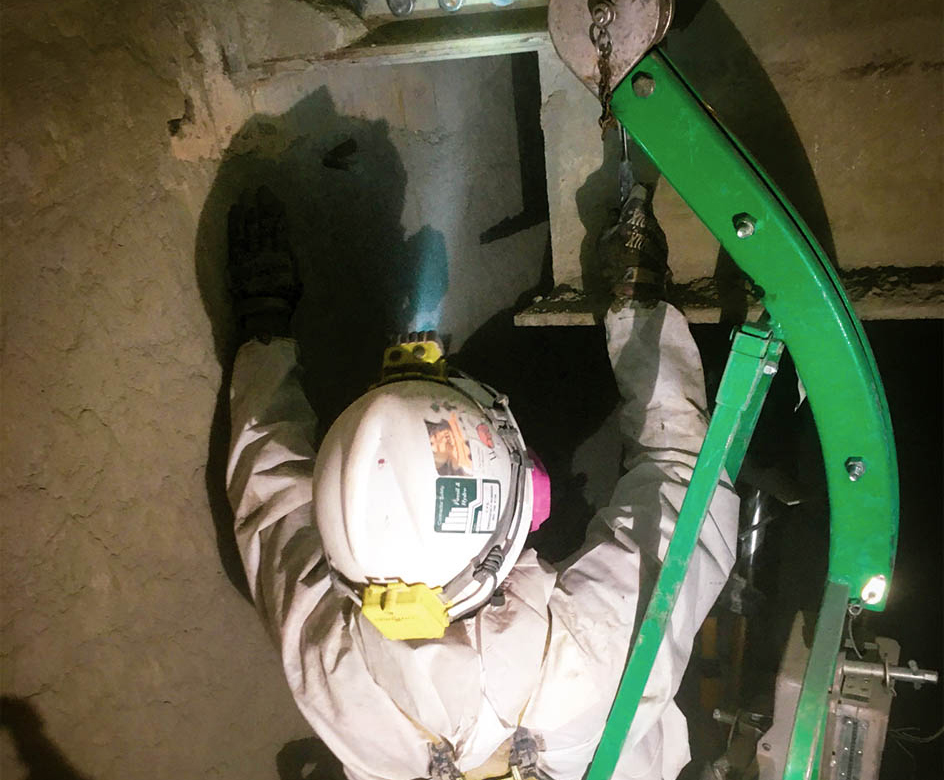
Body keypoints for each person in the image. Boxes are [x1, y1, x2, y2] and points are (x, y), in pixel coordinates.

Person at [224, 184, 738, 780]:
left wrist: (262, 322)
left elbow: (271, 501)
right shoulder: (601, 663)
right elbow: (681, 472)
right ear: (530, 503)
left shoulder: (342, 673)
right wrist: (639, 305)